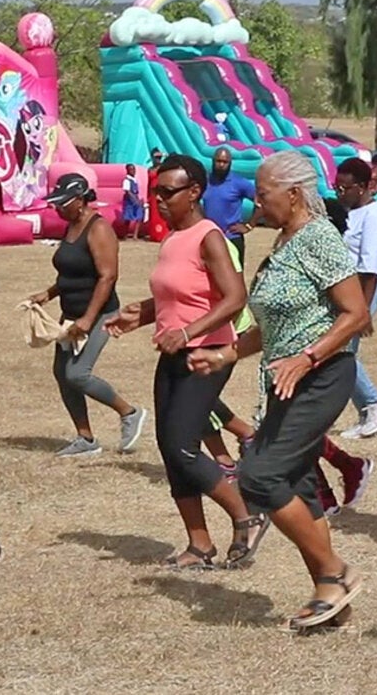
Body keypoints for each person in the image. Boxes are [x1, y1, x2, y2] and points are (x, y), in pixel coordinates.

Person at [185, 150, 370, 629]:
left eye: (264, 195)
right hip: (285, 380)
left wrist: (307, 358)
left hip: (322, 375)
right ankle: (330, 594)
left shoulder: (319, 238)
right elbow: (272, 326)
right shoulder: (285, 241)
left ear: (293, 194)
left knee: (258, 476)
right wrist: (225, 354)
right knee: (297, 481)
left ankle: (335, 572)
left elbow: (356, 314)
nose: (257, 203)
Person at [105, 154, 269, 571]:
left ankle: (247, 516)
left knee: (182, 446)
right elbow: (179, 295)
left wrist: (188, 332)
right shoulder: (173, 237)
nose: (159, 200)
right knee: (170, 448)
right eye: (156, 192)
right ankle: (200, 545)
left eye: (168, 192)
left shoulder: (209, 236)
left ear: (194, 192)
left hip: (207, 354)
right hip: (175, 353)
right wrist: (140, 314)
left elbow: (235, 298)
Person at [29, 173, 148, 457]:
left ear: (80, 200)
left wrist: (88, 319)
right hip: (70, 314)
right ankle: (86, 438)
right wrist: (49, 293)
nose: (58, 209)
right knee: (62, 374)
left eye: (62, 203)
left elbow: (107, 277)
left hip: (99, 314)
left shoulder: (99, 229)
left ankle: (129, 412)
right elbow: (72, 272)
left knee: (77, 373)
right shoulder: (71, 226)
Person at [334, 158, 377, 440]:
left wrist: (362, 310)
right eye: (336, 187)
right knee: (340, 352)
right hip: (346, 290)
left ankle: (375, 402)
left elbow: (369, 268)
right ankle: (367, 411)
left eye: (344, 188)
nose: (339, 193)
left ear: (361, 187)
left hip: (362, 290)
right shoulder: (351, 212)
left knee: (341, 352)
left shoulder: (374, 216)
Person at [204, 147, 256, 262]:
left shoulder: (239, 183)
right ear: (213, 161)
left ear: (230, 163)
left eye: (225, 162)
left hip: (232, 237)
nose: (221, 165)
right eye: (218, 161)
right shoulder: (205, 181)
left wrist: (250, 225)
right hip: (209, 237)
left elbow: (260, 201)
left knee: (235, 272)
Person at [121, 163, 144, 237]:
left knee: (139, 216)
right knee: (127, 218)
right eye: (131, 169)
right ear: (127, 170)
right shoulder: (127, 180)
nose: (133, 171)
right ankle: (124, 233)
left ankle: (135, 235)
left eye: (134, 169)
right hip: (129, 201)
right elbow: (127, 191)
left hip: (135, 199)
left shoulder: (134, 180)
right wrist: (134, 200)